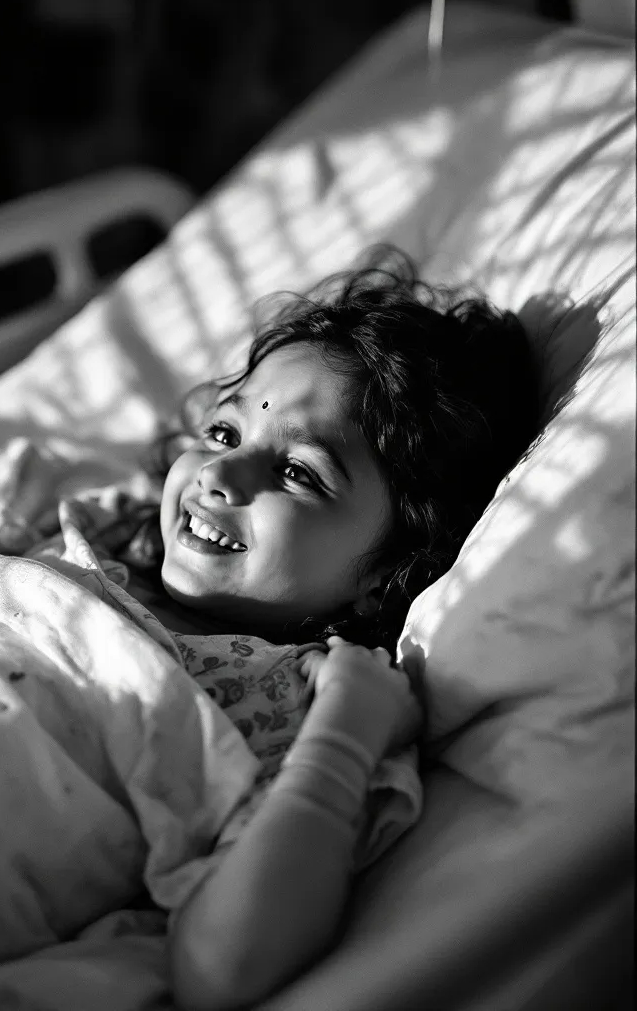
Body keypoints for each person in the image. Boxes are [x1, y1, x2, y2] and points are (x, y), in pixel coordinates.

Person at [49, 246, 539, 1010]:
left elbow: (223, 970)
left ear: (391, 569)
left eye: (299, 473)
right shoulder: (91, 528)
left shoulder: (289, 706)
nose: (219, 476)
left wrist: (345, 735)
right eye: (223, 433)